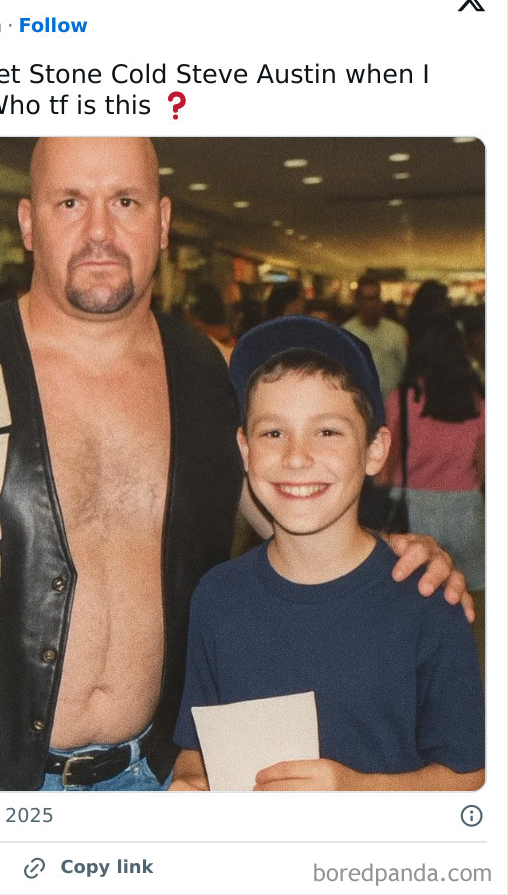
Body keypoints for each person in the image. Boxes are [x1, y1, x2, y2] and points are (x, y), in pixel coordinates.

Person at [0, 138, 469, 793]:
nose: (100, 231)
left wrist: (400, 557)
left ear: (162, 221)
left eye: (126, 201)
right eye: (71, 201)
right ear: (28, 221)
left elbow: (302, 520)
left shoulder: (214, 378)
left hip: (156, 781)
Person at [171, 317, 484, 791]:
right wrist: (193, 784)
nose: (296, 457)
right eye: (273, 433)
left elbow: (474, 778)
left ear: (375, 450)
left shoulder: (426, 599)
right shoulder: (218, 597)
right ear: (245, 449)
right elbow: (197, 752)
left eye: (328, 432)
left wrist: (356, 792)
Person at [384, 318, 485, 594]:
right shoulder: (477, 401)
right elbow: (484, 463)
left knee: (415, 588)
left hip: (413, 505)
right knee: (469, 592)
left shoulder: (403, 398)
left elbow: (386, 459)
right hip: (465, 506)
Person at [343, 275, 407, 399]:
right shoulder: (347, 333)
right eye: (367, 299)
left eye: (375, 298)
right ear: (358, 301)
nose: (371, 304)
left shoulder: (396, 332)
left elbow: (404, 368)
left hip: (392, 409)